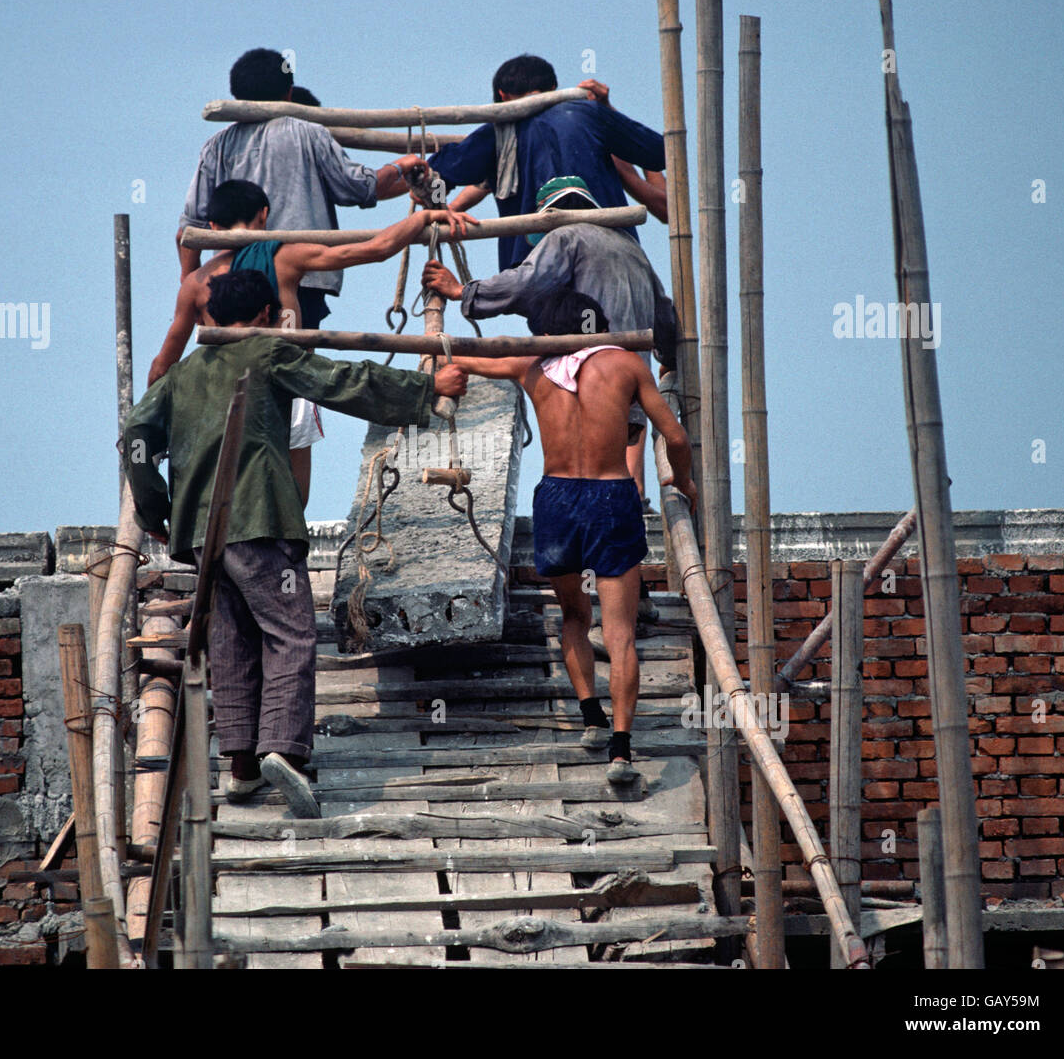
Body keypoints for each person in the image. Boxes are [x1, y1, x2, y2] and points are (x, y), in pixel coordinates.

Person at [123, 269, 469, 818]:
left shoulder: (184, 372)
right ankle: (282, 749)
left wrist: (155, 510)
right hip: (257, 518)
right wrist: (427, 389)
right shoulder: (266, 351)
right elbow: (341, 379)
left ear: (212, 316)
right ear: (265, 314)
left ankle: (239, 765)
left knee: (233, 639)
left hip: (199, 534)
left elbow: (136, 433)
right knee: (290, 632)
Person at [447, 288, 695, 784]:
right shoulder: (626, 365)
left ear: (549, 332)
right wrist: (682, 481)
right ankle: (621, 751)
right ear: (598, 326)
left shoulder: (531, 367)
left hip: (557, 499)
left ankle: (590, 718)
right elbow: (677, 437)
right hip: (611, 498)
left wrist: (444, 353)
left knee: (575, 616)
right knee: (619, 630)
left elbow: (474, 356)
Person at [150, 179, 475, 505]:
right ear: (264, 215)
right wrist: (423, 218)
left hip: (222, 395)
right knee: (292, 500)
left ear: (213, 226)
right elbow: (374, 249)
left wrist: (150, 424)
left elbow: (163, 365)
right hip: (292, 382)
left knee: (229, 493)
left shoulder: (195, 284)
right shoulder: (286, 257)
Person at [423, 175, 676, 503]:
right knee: (622, 478)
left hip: (584, 378)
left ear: (549, 215)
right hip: (629, 379)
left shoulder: (567, 236)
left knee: (577, 473)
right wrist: (668, 360)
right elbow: (665, 317)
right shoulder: (634, 250)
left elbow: (526, 283)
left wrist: (464, 292)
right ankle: (633, 508)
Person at [176, 47, 428, 326]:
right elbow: (358, 187)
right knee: (294, 359)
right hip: (299, 272)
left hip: (233, 285)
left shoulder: (217, 146)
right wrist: (398, 167)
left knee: (240, 365)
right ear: (289, 92)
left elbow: (189, 228)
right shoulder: (309, 132)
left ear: (237, 95)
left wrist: (192, 290)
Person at [427, 55, 667, 270]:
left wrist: (439, 210)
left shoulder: (499, 136)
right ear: (553, 87)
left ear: (502, 95)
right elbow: (659, 153)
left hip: (539, 264)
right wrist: (609, 113)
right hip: (610, 252)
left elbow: (434, 175)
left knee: (559, 316)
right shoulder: (588, 115)